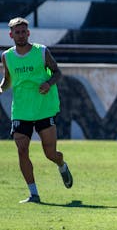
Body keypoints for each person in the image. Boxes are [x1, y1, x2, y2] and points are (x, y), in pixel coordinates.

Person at [0, 17, 73, 204]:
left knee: (50, 153)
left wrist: (48, 83)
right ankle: (34, 194)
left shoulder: (41, 52)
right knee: (22, 149)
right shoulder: (7, 56)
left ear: (28, 33)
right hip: (21, 110)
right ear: (11, 35)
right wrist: (1, 87)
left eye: (24, 31)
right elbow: (8, 80)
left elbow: (57, 72)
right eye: (17, 32)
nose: (21, 35)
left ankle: (61, 165)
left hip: (43, 108)